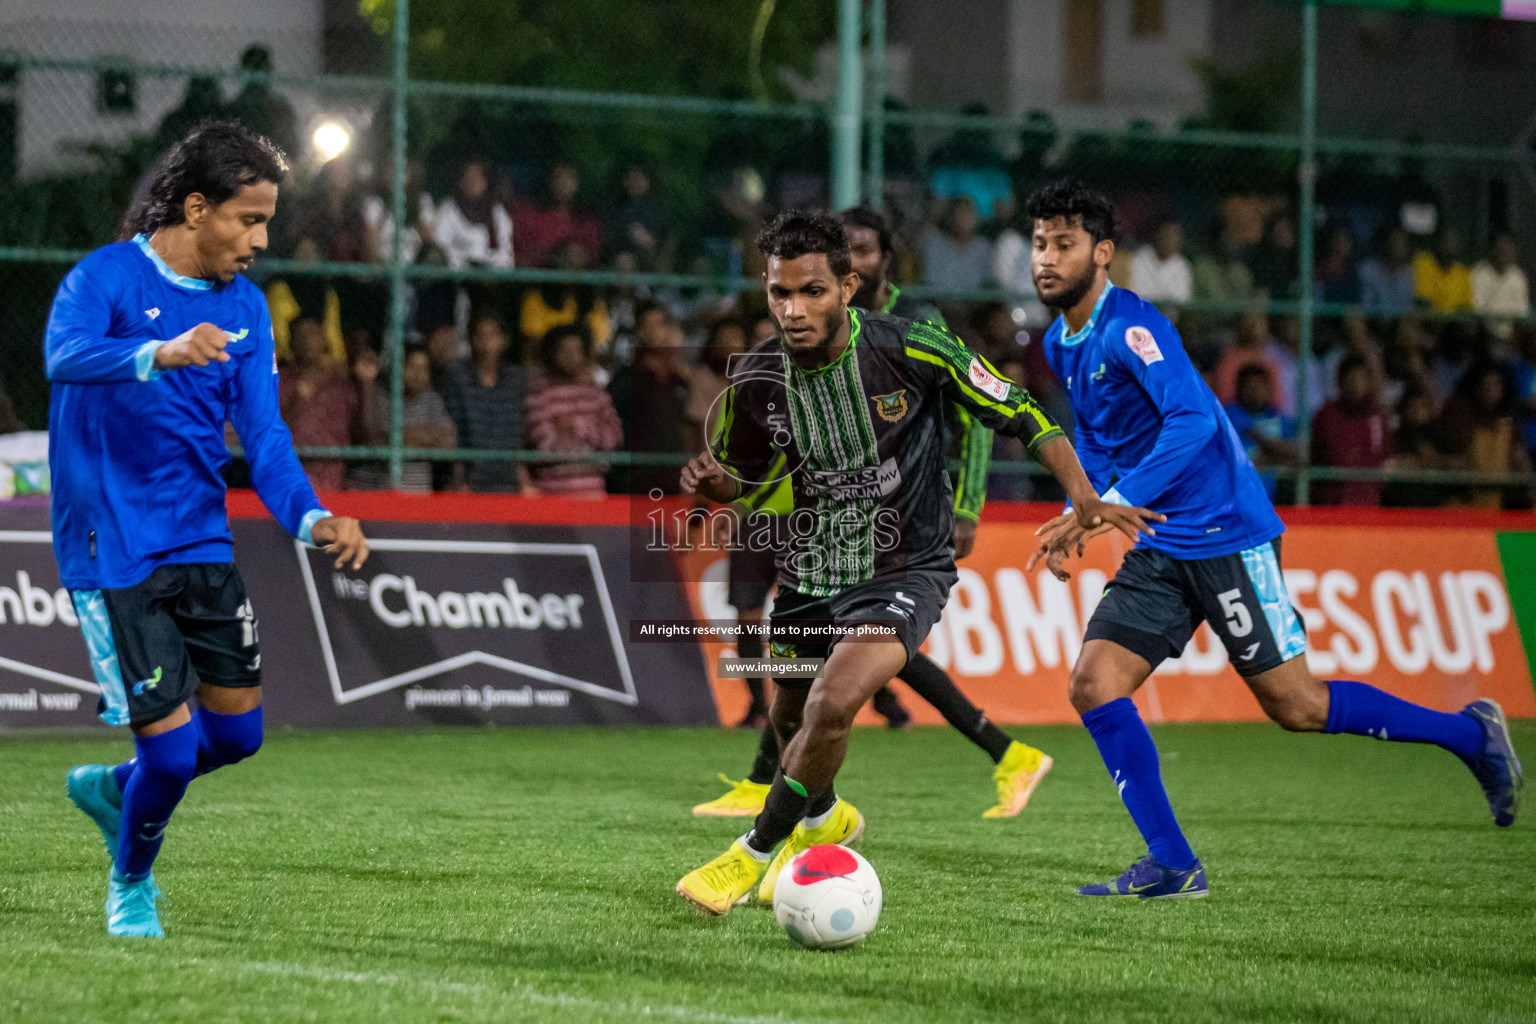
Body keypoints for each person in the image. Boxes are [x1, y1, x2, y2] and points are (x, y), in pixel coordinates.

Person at [1024, 180, 1520, 901]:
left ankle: (1472, 736)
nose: (1046, 258)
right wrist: (1093, 510)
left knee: (1297, 707)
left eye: (1063, 244)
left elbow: (1192, 422)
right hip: (1162, 540)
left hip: (1225, 528)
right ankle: (1172, 864)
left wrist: (1114, 501)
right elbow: (1101, 439)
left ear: (1102, 253)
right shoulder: (1059, 339)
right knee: (1094, 682)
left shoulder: (1131, 326)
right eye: (1039, 243)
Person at [673, 210, 1158, 916]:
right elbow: (748, 471)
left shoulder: (914, 348)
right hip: (813, 566)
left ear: (848, 285)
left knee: (835, 703)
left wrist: (1081, 494)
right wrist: (718, 485)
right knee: (790, 718)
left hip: (905, 565)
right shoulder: (757, 375)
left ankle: (748, 856)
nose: (794, 309)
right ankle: (823, 820)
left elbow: (1020, 409)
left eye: (811, 291)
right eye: (780, 293)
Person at [46, 121, 369, 939]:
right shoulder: (106, 278)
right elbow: (64, 354)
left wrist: (313, 517)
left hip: (200, 540)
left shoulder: (246, 307)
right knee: (169, 755)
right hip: (111, 547)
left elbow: (263, 438)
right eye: (248, 220)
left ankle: (112, 791)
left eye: (266, 221)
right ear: (196, 208)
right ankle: (132, 886)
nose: (260, 240)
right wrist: (160, 351)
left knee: (238, 736)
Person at [693, 207, 1057, 818]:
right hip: (818, 516)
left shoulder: (915, 325)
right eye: (848, 247)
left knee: (847, 665)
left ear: (878, 262)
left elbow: (978, 412)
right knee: (822, 666)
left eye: (865, 249)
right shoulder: (787, 345)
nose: (856, 258)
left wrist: (966, 504)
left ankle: (771, 805)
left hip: (900, 522)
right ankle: (999, 752)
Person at [525, 324, 623, 498]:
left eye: (576, 351)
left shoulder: (596, 393)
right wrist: (589, 437)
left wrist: (575, 428)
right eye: (564, 351)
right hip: (551, 492)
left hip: (593, 490)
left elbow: (613, 438)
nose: (571, 357)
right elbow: (545, 445)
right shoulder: (539, 394)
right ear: (552, 353)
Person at [440, 312, 531, 494]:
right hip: (471, 483)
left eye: (493, 335)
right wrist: (458, 481)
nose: (486, 342)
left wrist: (524, 481)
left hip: (509, 482)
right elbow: (455, 431)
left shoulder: (515, 380)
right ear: (471, 340)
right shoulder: (457, 377)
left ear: (503, 340)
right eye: (480, 336)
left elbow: (517, 433)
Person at [278, 316, 358, 492]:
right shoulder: (279, 380)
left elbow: (360, 428)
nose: (308, 341)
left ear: (324, 340)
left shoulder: (340, 382)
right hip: (288, 477)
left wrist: (366, 383)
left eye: (313, 334)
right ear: (291, 344)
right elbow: (267, 430)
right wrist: (297, 399)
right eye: (301, 335)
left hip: (333, 480)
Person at [1311, 353, 1390, 507]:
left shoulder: (1377, 417)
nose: (1356, 385)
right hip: (1332, 505)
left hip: (1370, 505)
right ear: (1340, 382)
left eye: (1362, 379)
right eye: (1351, 378)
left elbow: (1385, 460)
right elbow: (1337, 459)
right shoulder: (1327, 416)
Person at [1223, 363, 1297, 501]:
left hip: (1274, 498)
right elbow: (1259, 438)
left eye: (1260, 386)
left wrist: (1269, 457)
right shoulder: (1230, 414)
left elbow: (1295, 454)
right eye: (1249, 387)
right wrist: (1274, 453)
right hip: (1238, 495)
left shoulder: (1279, 417)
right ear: (1239, 389)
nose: (1255, 391)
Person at [1471, 234, 1530, 343]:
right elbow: (1478, 312)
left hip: (1514, 337)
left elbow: (1522, 315)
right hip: (1485, 336)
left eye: (1507, 248)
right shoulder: (1479, 272)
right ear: (1492, 250)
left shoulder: (1518, 276)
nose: (1503, 252)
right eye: (1500, 249)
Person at [1128, 220, 1193, 310]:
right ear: (1158, 235)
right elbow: (1135, 295)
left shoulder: (1182, 265)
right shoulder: (1139, 258)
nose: (1172, 241)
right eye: (1168, 236)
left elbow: (1181, 300)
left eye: (1176, 237)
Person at [1414, 225, 1473, 315]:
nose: (1448, 243)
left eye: (1453, 239)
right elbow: (1421, 301)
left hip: (1452, 323)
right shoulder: (1423, 262)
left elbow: (1465, 308)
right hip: (1426, 320)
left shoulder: (1464, 273)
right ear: (1438, 240)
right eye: (1446, 238)